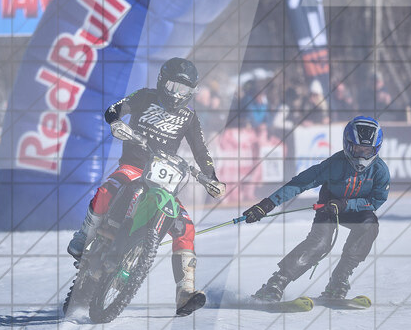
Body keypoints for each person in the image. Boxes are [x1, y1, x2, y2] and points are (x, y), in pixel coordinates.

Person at [67, 58, 226, 315]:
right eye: (173, 86)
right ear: (162, 82)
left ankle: (185, 291)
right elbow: (115, 108)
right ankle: (84, 235)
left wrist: (212, 178)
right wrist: (116, 121)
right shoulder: (145, 96)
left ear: (191, 92)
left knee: (185, 227)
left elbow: (201, 150)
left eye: (184, 90)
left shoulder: (189, 117)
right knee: (107, 191)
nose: (177, 94)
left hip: (165, 179)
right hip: (134, 166)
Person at [241, 116, 391, 302]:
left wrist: (346, 204)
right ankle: (276, 282)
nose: (361, 155)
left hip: (356, 211)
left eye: (367, 151)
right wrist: (267, 204)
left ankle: (338, 281)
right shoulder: (333, 164)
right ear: (347, 144)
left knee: (370, 226)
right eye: (357, 149)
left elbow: (376, 201)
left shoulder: (380, 171)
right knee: (320, 243)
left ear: (376, 149)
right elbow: (300, 183)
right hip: (328, 207)